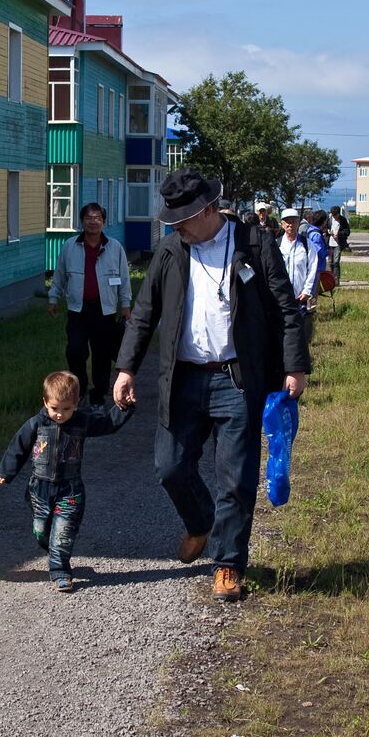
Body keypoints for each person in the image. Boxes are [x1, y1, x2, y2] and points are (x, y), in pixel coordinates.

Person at [114, 169, 309, 602]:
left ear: (205, 211)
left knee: (235, 478)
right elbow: (144, 314)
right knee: (170, 467)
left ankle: (227, 564)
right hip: (183, 378)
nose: (176, 227)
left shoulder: (254, 245)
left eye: (181, 219)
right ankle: (201, 522)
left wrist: (294, 366)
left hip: (237, 380)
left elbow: (285, 309)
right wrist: (126, 368)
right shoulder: (169, 251)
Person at [0, 371, 133, 593]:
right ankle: (55, 549)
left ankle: (60, 570)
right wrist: (6, 472)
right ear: (45, 402)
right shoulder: (36, 424)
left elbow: (108, 423)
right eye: (54, 408)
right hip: (39, 488)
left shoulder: (82, 422)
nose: (60, 414)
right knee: (41, 530)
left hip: (70, 489)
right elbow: (17, 448)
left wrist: (124, 408)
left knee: (63, 532)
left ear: (76, 403)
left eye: (66, 409)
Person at [48, 202, 132, 406]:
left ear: (103, 222)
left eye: (97, 218)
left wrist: (126, 304)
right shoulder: (70, 246)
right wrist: (53, 298)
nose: (93, 222)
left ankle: (99, 394)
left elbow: (124, 277)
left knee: (102, 353)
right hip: (78, 309)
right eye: (89, 218)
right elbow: (59, 275)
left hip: (105, 309)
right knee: (75, 350)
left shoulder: (114, 247)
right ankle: (81, 387)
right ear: (82, 221)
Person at [279, 207, 321, 346]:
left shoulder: (306, 244)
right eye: (287, 221)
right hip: (281, 296)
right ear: (282, 224)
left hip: (299, 295)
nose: (290, 224)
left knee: (299, 329)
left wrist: (307, 291)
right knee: (281, 328)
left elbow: (313, 268)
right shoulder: (276, 244)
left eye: (293, 221)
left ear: (298, 223)